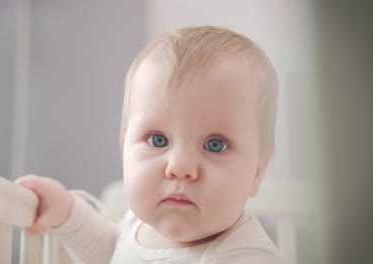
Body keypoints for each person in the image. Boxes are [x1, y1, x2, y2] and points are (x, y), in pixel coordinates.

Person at [16, 25, 281, 264]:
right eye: (159, 140)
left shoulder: (245, 257)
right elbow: (107, 253)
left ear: (258, 171)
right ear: (124, 149)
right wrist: (66, 212)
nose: (179, 167)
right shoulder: (136, 224)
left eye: (214, 145)